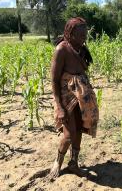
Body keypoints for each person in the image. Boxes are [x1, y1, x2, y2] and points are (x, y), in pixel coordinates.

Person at [49, 17, 99, 179]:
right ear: (70, 34)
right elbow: (55, 80)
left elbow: (81, 71)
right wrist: (59, 106)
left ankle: (73, 164)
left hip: (80, 97)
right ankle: (58, 161)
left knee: (79, 130)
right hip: (66, 98)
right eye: (81, 34)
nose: (84, 37)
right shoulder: (61, 50)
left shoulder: (81, 49)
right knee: (69, 134)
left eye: (85, 34)